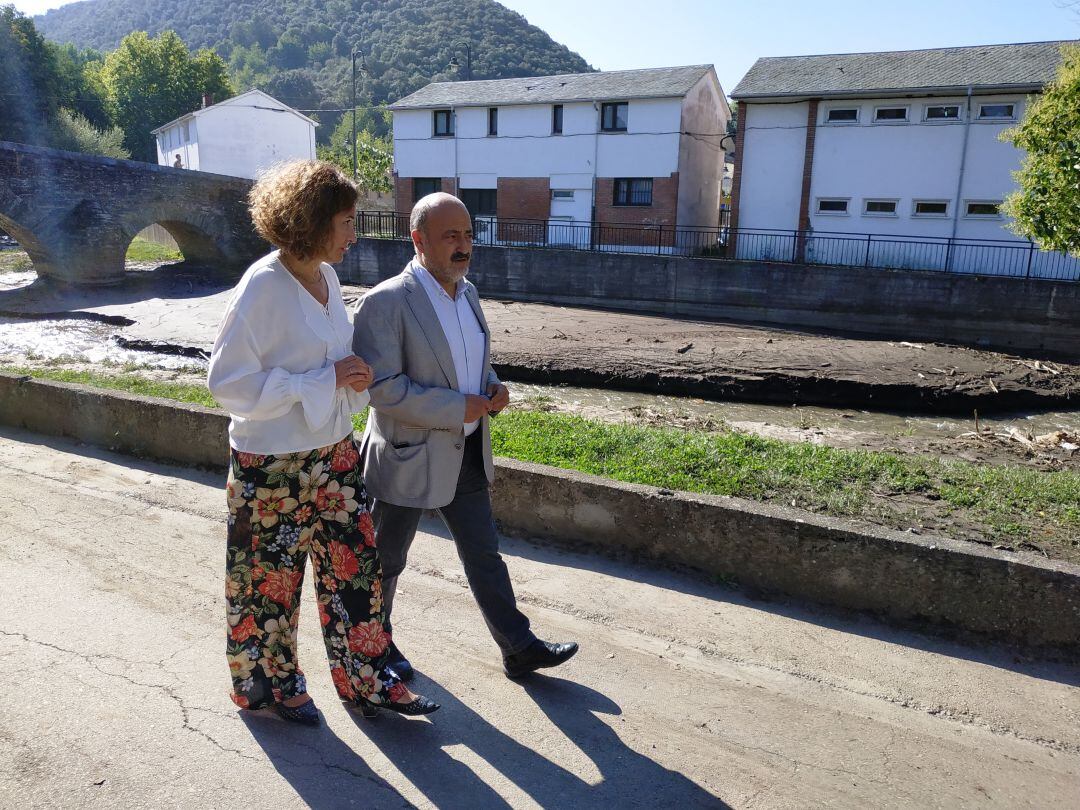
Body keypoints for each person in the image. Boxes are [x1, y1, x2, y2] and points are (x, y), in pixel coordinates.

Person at [208, 160, 439, 725]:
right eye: (346, 221)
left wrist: (349, 374)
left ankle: (369, 682)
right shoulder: (262, 287)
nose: (354, 233)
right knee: (270, 586)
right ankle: (271, 687)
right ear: (312, 221)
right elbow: (227, 384)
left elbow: (328, 362)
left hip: (334, 454)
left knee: (355, 569)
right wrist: (325, 380)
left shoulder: (329, 280)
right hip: (272, 466)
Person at [352, 192, 579, 680]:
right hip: (407, 455)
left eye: (468, 234)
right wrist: (458, 406)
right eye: (450, 236)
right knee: (386, 562)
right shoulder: (386, 301)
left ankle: (517, 646)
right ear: (418, 240)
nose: (464, 245)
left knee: (484, 555)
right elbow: (382, 388)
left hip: (467, 451)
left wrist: (491, 386)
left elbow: (469, 360)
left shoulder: (468, 292)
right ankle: (373, 650)